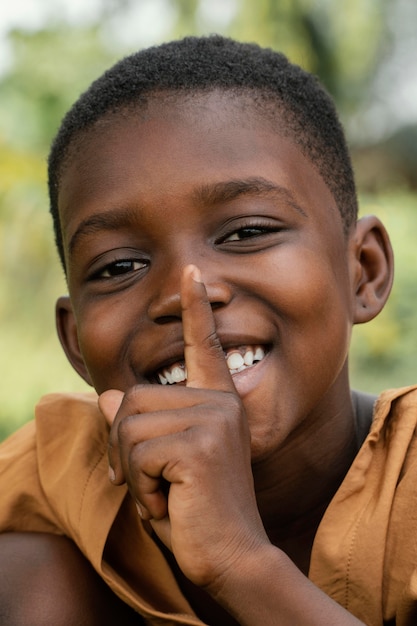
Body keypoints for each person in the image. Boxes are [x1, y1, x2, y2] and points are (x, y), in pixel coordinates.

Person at [1, 34, 417, 626]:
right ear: (75, 342)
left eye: (246, 232)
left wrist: (239, 563)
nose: (183, 290)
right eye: (119, 266)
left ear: (364, 271)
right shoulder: (63, 471)